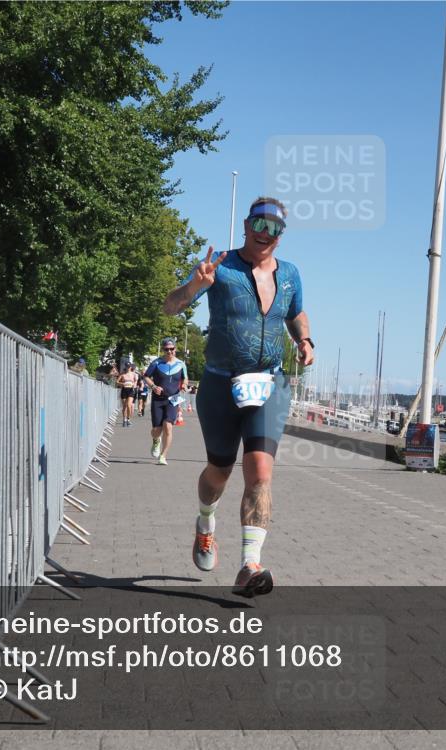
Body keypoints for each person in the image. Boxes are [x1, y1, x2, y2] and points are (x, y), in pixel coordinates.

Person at [163, 196, 313, 598]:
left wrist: (305, 339)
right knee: (219, 471)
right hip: (219, 385)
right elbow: (170, 307)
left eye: (275, 229)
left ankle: (249, 565)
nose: (266, 235)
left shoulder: (291, 274)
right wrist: (197, 284)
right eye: (259, 225)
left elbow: (296, 313)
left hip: (269, 384)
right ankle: (205, 522)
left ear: (281, 236)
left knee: (261, 473)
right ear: (246, 226)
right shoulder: (221, 266)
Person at [143, 338, 188, 466]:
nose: (169, 352)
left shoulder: (181, 364)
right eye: (167, 349)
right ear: (163, 350)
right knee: (156, 430)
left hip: (173, 399)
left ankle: (163, 456)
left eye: (172, 349)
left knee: (168, 426)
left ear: (175, 349)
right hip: (158, 399)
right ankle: (156, 440)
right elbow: (146, 376)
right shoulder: (156, 363)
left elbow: (185, 378)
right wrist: (153, 387)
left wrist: (184, 385)